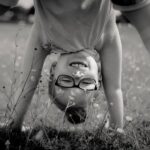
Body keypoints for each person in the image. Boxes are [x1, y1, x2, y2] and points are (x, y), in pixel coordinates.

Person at [0, 0, 124, 130]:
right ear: (98, 78)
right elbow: (115, 89)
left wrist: (14, 125)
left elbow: (26, 86)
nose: (77, 75)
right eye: (86, 82)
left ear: (53, 71)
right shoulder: (105, 37)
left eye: (66, 81)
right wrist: (117, 127)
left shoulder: (44, 38)